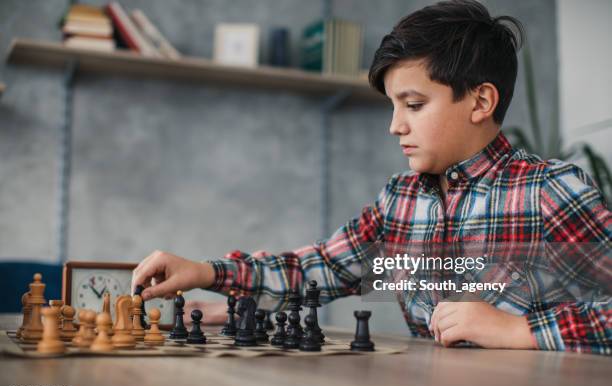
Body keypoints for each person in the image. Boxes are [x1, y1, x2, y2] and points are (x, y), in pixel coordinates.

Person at [132, 0, 611, 354]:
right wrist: (207, 272)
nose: (395, 125)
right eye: (393, 105)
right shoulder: (398, 202)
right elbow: (319, 268)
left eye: (414, 104)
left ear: (481, 102)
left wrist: (522, 331)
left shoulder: (549, 193)